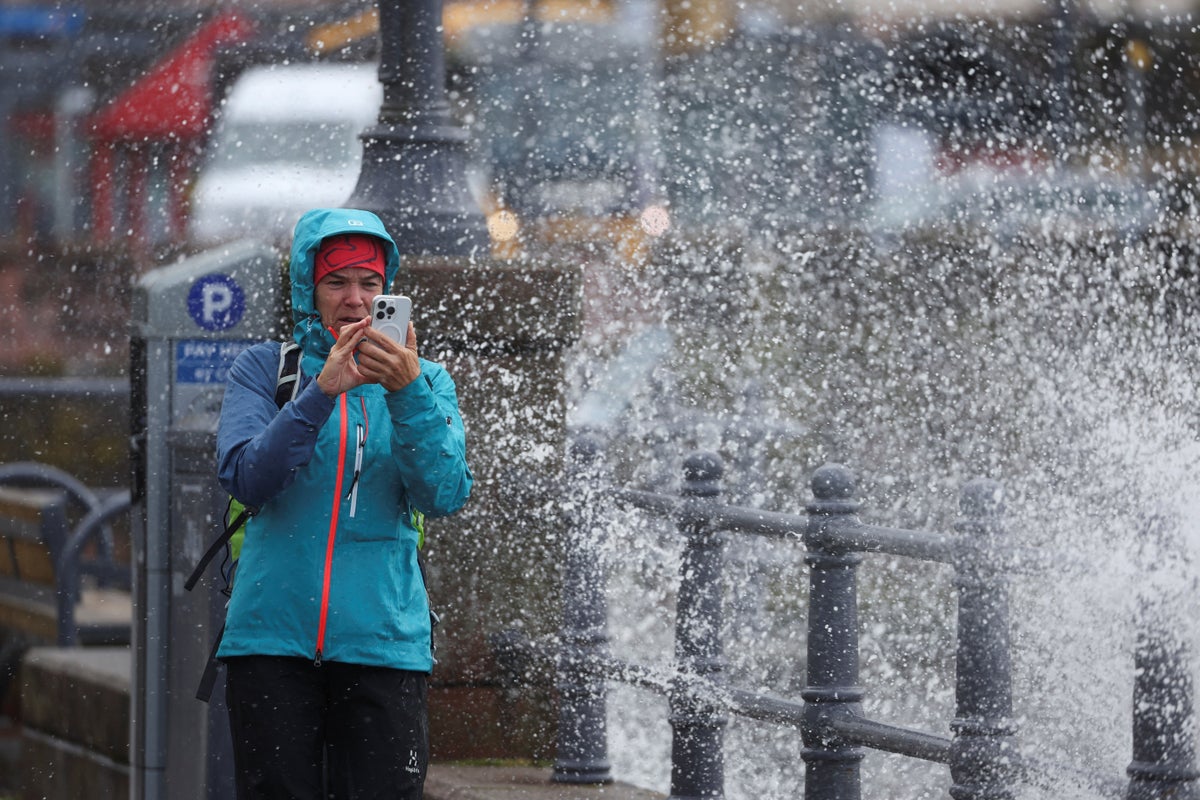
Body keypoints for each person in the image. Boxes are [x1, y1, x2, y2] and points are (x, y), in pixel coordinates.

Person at [215, 207, 473, 800]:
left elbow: (445, 493)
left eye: (371, 283)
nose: (355, 300)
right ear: (309, 288)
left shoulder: (426, 382)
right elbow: (247, 478)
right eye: (337, 282)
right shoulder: (266, 371)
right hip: (271, 639)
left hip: (384, 642)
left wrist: (404, 394)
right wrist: (319, 394)